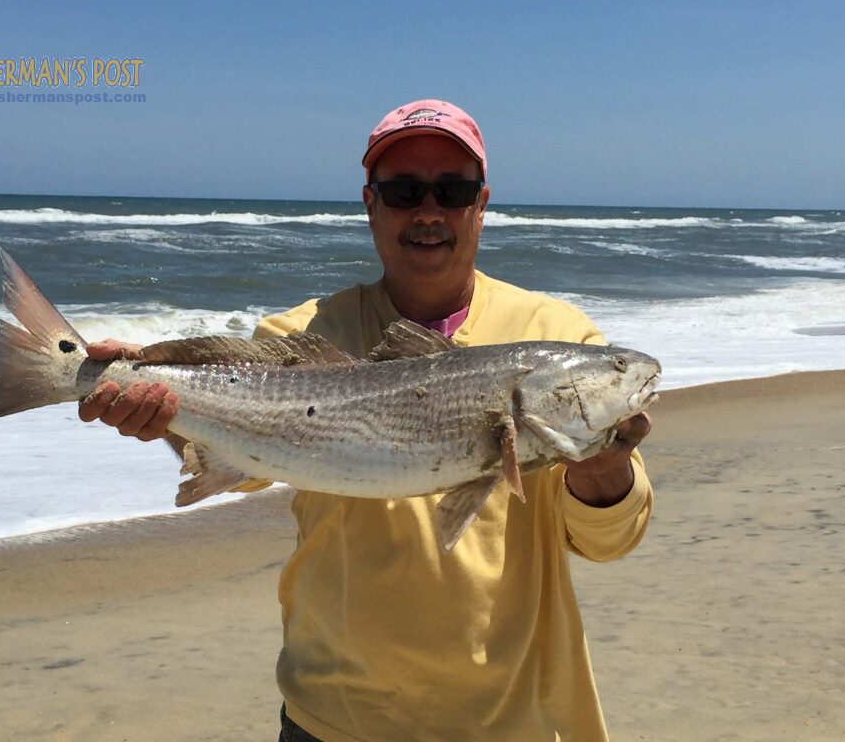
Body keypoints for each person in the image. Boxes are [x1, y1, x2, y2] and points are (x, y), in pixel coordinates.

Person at [79, 99, 653, 742]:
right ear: (370, 203)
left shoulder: (556, 334)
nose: (429, 211)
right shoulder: (298, 337)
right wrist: (164, 418)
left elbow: (611, 540)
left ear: (482, 204)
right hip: (332, 718)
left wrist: (605, 462)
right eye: (404, 191)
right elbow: (244, 469)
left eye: (453, 190)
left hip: (511, 719)